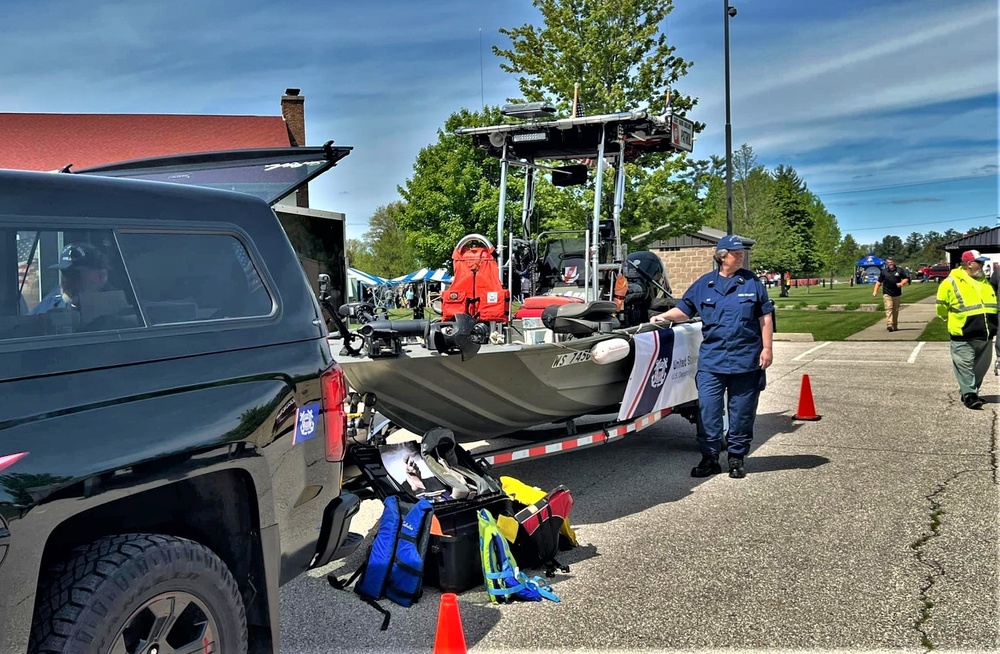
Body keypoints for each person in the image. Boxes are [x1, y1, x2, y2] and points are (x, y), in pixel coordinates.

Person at [651, 235, 774, 478]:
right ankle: (710, 458)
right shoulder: (705, 284)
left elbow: (765, 318)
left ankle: (736, 458)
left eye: (742, 252)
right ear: (722, 256)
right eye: (736, 252)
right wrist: (664, 317)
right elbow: (685, 309)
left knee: (742, 411)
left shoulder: (752, 283)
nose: (741, 255)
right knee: (707, 410)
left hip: (746, 359)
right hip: (712, 360)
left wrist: (767, 348)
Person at [936, 250, 997, 410]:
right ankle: (969, 395)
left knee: (981, 367)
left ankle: (971, 392)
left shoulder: (984, 281)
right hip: (963, 333)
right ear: (969, 263)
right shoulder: (951, 282)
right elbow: (941, 306)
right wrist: (952, 321)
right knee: (964, 366)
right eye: (980, 262)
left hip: (985, 334)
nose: (983, 265)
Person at [30, 242, 110, 315]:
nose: (66, 281)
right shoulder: (54, 299)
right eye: (65, 273)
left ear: (102, 276)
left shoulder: (115, 307)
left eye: (75, 274)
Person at [872, 258, 909, 331]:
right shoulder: (884, 271)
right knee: (889, 308)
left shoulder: (899, 270)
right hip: (887, 293)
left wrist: (902, 283)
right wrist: (875, 291)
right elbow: (879, 282)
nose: (890, 264)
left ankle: (894, 325)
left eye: (891, 262)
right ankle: (889, 324)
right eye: (888, 262)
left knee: (895, 310)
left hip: (897, 293)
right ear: (887, 263)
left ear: (893, 262)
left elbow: (906, 278)